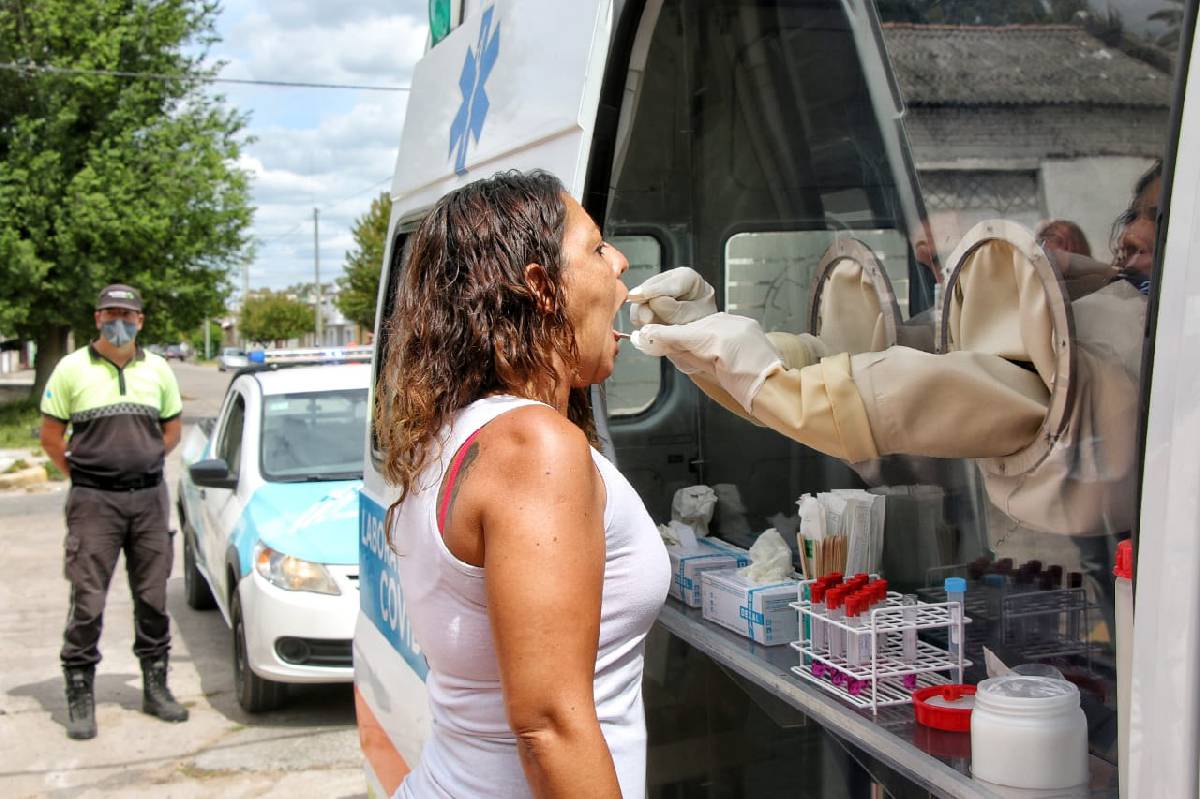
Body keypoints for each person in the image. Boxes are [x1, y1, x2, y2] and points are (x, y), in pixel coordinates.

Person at [372, 171, 670, 797]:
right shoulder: (535, 447)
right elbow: (550, 726)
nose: (618, 260)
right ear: (541, 287)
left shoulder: (460, 428)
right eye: (594, 248)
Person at [39, 284, 188, 740]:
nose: (118, 321)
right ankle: (80, 692)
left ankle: (155, 686)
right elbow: (50, 437)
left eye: (127, 314)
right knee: (88, 601)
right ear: (97, 318)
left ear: (141, 321)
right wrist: (88, 474)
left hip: (147, 499)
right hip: (93, 502)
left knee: (152, 597)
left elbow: (172, 431)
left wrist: (138, 462)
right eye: (110, 313)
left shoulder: (158, 369)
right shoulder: (71, 369)